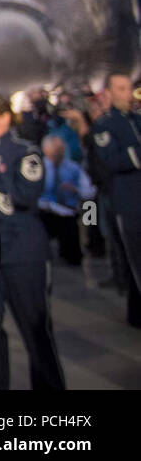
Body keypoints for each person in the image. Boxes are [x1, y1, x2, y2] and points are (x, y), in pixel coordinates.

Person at [0, 95, 66, 390]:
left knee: (37, 333)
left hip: (23, 255)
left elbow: (26, 195)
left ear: (5, 117)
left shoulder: (25, 151)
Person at [91, 72, 141, 327]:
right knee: (135, 260)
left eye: (129, 88)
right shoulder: (104, 124)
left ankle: (135, 314)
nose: (128, 94)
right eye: (121, 89)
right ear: (109, 93)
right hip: (127, 203)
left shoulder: (135, 119)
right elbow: (110, 160)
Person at [37, 133, 83, 266]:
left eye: (61, 148)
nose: (59, 152)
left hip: (69, 209)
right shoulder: (39, 167)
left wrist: (75, 190)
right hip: (45, 209)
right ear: (46, 149)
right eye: (56, 149)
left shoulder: (72, 167)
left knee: (89, 210)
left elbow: (89, 191)